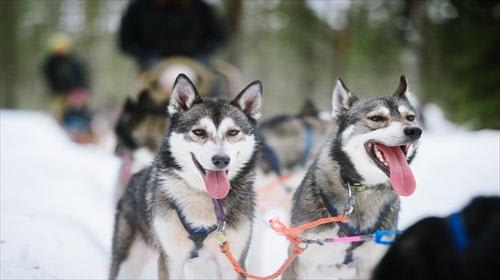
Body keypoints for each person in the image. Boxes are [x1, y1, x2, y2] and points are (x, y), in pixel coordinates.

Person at [118, 0, 226, 71]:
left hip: (196, 64)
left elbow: (219, 37)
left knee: (211, 89)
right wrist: (148, 57)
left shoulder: (201, 8)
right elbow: (126, 42)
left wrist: (200, 55)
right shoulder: (137, 9)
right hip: (152, 67)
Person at [41, 33, 93, 143]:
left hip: (75, 92)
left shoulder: (74, 61)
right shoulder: (50, 63)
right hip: (58, 93)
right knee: (58, 114)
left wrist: (80, 91)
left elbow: (82, 76)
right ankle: (60, 137)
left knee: (79, 113)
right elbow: (48, 77)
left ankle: (82, 136)